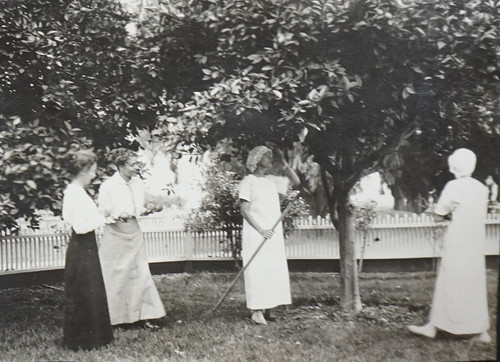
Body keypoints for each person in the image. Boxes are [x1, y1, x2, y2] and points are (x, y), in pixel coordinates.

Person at [407, 148, 491, 343]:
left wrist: (434, 211)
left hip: (458, 239)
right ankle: (480, 330)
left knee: (450, 280)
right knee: (474, 281)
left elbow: (438, 215)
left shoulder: (453, 186)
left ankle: (435, 326)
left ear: (455, 165)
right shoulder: (481, 188)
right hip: (476, 241)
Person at [98, 148, 166, 328]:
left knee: (140, 274)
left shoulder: (138, 183)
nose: (138, 167)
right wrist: (116, 216)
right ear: (120, 166)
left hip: (134, 233)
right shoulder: (108, 186)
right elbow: (101, 214)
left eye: (138, 163)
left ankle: (145, 316)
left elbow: (139, 207)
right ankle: (116, 319)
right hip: (114, 234)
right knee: (116, 275)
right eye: (133, 164)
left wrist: (150, 208)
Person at [238, 145, 300, 325]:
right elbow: (244, 211)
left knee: (272, 269)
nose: (271, 159)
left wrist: (285, 164)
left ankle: (270, 309)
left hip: (273, 232)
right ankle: (257, 311)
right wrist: (260, 230)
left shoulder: (272, 180)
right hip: (257, 232)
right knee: (258, 269)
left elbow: (296, 183)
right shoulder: (248, 181)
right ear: (257, 159)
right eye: (267, 156)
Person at [62, 149, 113, 350]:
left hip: (85, 246)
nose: (94, 174)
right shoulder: (75, 193)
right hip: (82, 246)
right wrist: (102, 217)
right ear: (83, 169)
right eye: (92, 170)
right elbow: (80, 226)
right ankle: (83, 340)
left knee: (90, 290)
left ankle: (94, 337)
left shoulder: (76, 191)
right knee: (84, 291)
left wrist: (100, 216)